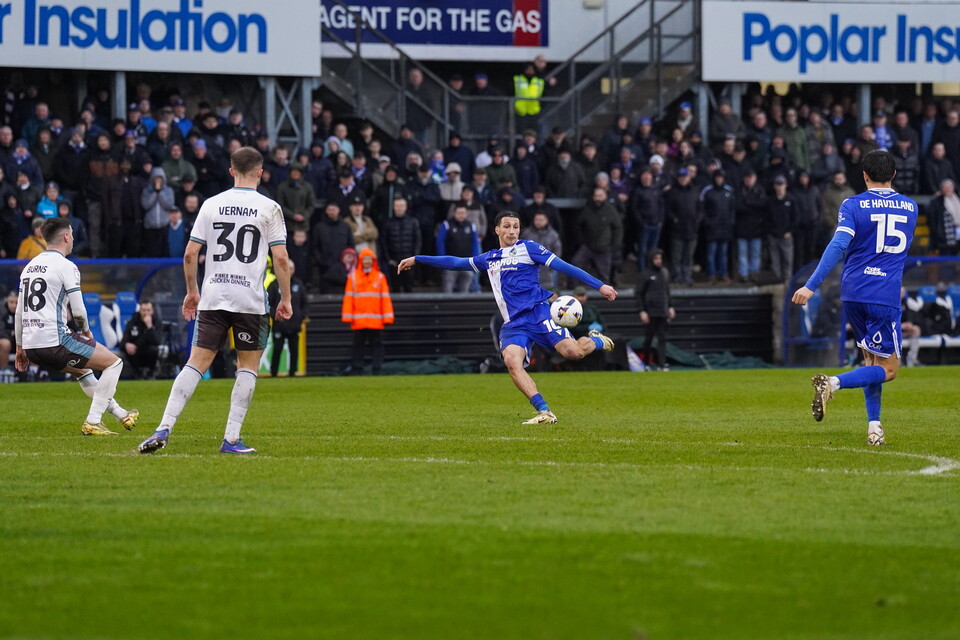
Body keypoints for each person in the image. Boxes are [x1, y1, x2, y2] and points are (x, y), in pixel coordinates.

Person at [138, 147, 292, 455]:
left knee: (195, 363)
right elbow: (282, 258)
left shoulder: (211, 204)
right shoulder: (269, 207)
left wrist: (192, 291)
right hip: (249, 300)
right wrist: (286, 298)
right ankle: (231, 439)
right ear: (260, 172)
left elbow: (190, 254)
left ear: (231, 170)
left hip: (214, 296)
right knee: (247, 367)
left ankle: (164, 427)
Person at [397, 210, 618, 424]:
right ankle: (545, 412)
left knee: (573, 352)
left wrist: (600, 286)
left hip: (538, 313)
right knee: (512, 362)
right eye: (507, 227)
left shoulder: (530, 248)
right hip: (513, 323)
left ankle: (597, 340)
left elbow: (564, 266)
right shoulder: (490, 258)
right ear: (496, 230)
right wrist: (418, 258)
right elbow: (456, 262)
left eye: (516, 227)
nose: (512, 231)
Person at [792, 150, 918, 446]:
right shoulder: (911, 208)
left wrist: (811, 285)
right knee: (889, 369)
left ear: (864, 175)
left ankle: (874, 428)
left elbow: (839, 245)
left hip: (853, 292)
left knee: (871, 361)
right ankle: (833, 383)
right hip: (883, 294)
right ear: (894, 175)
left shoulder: (852, 204)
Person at [14, 217, 138, 434]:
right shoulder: (66, 266)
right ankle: (93, 420)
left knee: (83, 370)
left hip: (33, 347)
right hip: (55, 341)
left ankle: (121, 414)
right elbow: (78, 310)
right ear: (66, 236)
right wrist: (85, 332)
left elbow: (19, 312)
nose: (73, 239)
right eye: (72, 234)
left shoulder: (29, 267)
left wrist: (19, 347)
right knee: (114, 363)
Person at [342, 248, 394, 375]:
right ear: (361, 261)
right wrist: (347, 317)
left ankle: (377, 369)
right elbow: (348, 298)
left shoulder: (380, 277)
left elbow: (385, 299)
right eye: (365, 259)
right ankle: (357, 369)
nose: (367, 261)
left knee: (376, 345)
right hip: (358, 319)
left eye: (369, 259)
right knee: (358, 346)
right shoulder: (353, 277)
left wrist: (387, 317)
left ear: (373, 261)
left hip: (375, 320)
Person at [635, 248, 675, 371]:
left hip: (662, 311)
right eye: (656, 258)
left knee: (663, 338)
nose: (658, 261)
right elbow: (638, 293)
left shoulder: (665, 273)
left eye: (660, 258)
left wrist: (670, 306)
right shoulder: (645, 274)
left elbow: (667, 291)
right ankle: (646, 364)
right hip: (650, 312)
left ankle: (662, 364)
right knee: (648, 339)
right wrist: (642, 310)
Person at [268, 262, 307, 377]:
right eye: (287, 268)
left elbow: (304, 303)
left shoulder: (298, 284)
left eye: (291, 268)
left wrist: (301, 316)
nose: (289, 270)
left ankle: (292, 372)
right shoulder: (274, 285)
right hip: (280, 324)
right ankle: (273, 372)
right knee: (277, 349)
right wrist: (274, 315)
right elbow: (268, 303)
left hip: (294, 324)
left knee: (294, 350)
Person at [118, 299, 162, 379]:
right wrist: (126, 345)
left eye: (148, 310)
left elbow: (157, 341)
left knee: (153, 349)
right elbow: (123, 342)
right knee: (129, 349)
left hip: (149, 353)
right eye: (143, 310)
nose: (146, 313)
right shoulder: (132, 322)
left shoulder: (157, 322)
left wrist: (149, 327)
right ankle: (137, 373)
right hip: (135, 353)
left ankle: (151, 373)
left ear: (152, 311)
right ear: (139, 311)